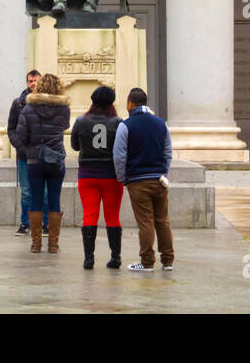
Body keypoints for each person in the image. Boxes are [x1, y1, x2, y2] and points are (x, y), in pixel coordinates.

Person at [113, 87, 174, 272]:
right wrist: (164, 173)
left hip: (138, 180)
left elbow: (119, 156)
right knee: (162, 220)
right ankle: (168, 261)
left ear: (130, 104)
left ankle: (147, 262)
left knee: (145, 222)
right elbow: (168, 152)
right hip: (159, 179)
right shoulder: (161, 124)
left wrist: (124, 179)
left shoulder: (126, 125)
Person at [13, 72, 71, 253]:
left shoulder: (28, 109)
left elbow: (21, 136)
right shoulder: (64, 109)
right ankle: (53, 244)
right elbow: (65, 126)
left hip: (34, 161)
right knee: (54, 200)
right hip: (56, 160)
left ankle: (36, 244)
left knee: (35, 200)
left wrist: (28, 145)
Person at [70, 85, 124, 270]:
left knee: (89, 215)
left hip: (87, 175)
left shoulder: (80, 121)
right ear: (112, 102)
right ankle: (115, 257)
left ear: (92, 101)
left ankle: (88, 259)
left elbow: (75, 146)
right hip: (111, 176)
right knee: (112, 217)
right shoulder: (117, 122)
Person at [7, 69, 42, 234]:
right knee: (26, 191)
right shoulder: (18, 103)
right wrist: (19, 146)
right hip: (24, 155)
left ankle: (44, 224)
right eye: (30, 81)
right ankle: (25, 223)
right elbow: (11, 129)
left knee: (44, 191)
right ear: (27, 83)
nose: (33, 84)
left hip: (42, 154)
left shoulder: (47, 103)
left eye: (36, 81)